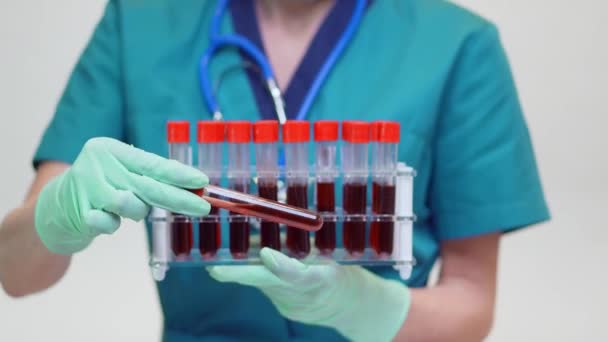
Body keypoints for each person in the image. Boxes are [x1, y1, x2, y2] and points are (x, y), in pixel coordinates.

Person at [0, 0, 550, 341]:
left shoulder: (456, 44)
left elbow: (473, 302)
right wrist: (56, 216)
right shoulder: (139, 22)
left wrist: (364, 306)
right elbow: (17, 273)